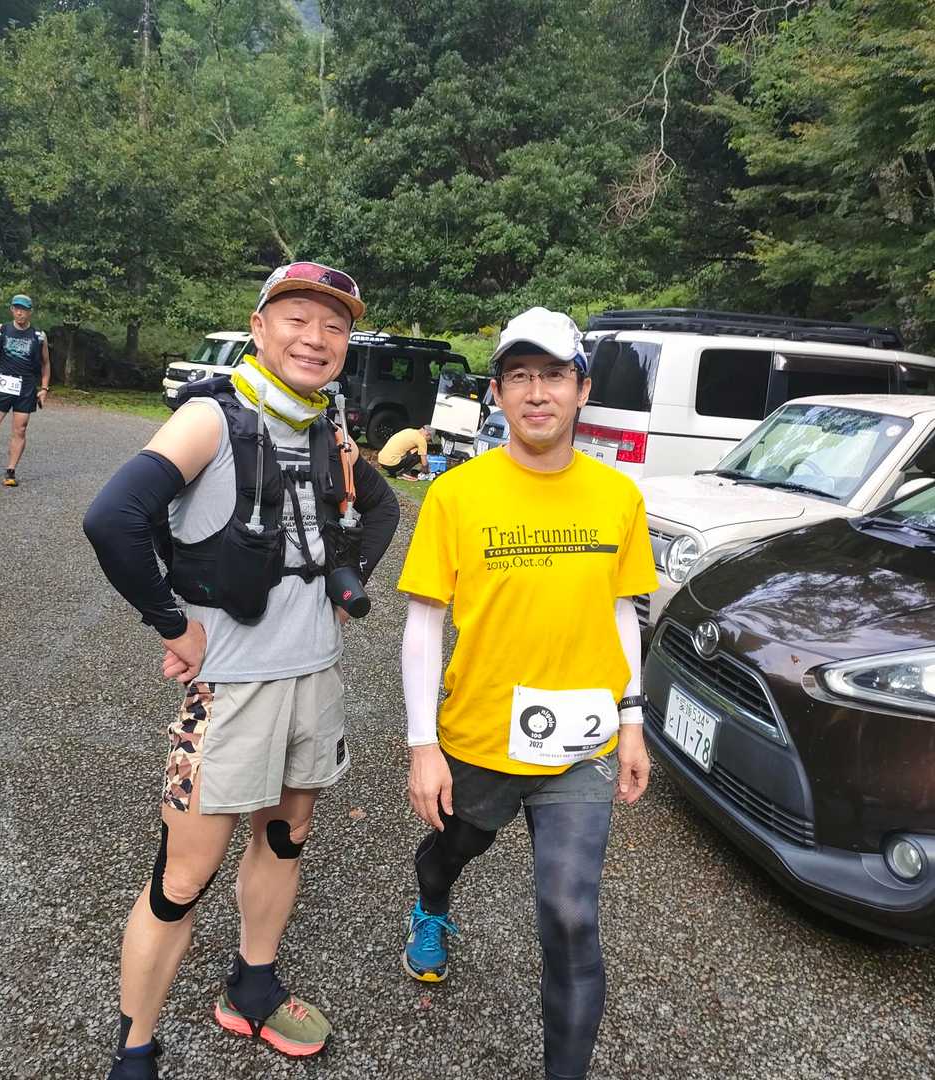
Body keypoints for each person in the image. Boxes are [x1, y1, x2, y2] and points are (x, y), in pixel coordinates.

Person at [83, 263, 399, 1080]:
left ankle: (252, 987)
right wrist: (173, 623)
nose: (316, 338)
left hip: (313, 677)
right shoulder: (209, 419)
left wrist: (346, 585)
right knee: (182, 877)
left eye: (335, 326)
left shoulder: (326, 427)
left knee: (285, 840)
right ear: (259, 328)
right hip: (228, 688)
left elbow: (383, 506)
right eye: (297, 318)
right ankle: (134, 1050)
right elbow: (113, 518)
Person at [396, 307, 658, 1080]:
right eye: (519, 376)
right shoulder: (457, 494)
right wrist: (422, 744)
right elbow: (423, 623)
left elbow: (622, 610)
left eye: (553, 376)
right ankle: (431, 907)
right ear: (497, 393)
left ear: (583, 389)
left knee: (572, 916)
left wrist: (632, 720)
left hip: (582, 744)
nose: (536, 393)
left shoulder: (618, 496)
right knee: (453, 852)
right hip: (480, 736)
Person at [0, 293, 50, 486]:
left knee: (20, 429)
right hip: (4, 384)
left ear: (30, 312)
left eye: (24, 309)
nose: (20, 313)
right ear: (12, 309)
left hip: (26, 387)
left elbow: (45, 363)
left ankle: (10, 471)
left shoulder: (38, 336)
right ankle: (3, 417)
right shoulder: (2, 330)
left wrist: (44, 388)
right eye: (17, 309)